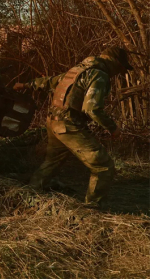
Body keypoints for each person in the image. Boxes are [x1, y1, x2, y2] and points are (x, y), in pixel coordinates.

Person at [13, 47, 134, 208]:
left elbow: (51, 81)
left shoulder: (78, 69)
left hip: (53, 121)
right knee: (103, 165)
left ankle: (32, 191)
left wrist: (26, 85)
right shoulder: (99, 74)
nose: (119, 72)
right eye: (120, 68)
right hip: (68, 125)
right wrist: (113, 128)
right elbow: (92, 109)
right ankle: (93, 207)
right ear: (115, 63)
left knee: (53, 161)